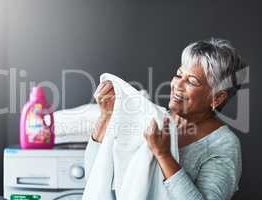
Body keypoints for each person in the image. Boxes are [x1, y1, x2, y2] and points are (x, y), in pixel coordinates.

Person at [84, 38, 247, 200]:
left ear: (217, 98)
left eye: (191, 81)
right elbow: (96, 177)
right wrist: (106, 117)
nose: (178, 85)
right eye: (179, 75)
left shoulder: (224, 145)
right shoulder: (154, 121)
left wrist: (163, 155)